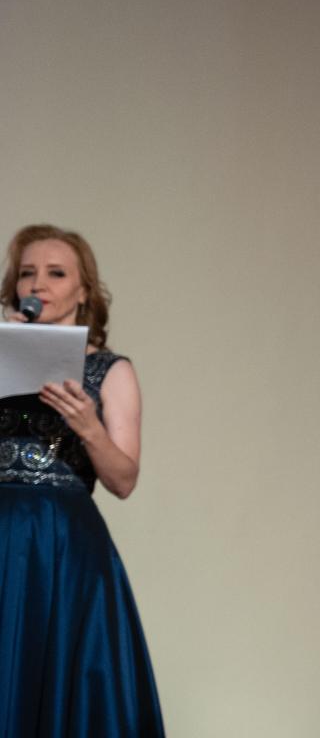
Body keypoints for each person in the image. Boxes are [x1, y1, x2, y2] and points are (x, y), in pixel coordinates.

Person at [1, 224, 164, 736]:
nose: (37, 284)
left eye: (56, 273)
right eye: (26, 273)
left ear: (83, 291)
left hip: (62, 550)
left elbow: (123, 480)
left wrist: (88, 426)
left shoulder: (110, 370)